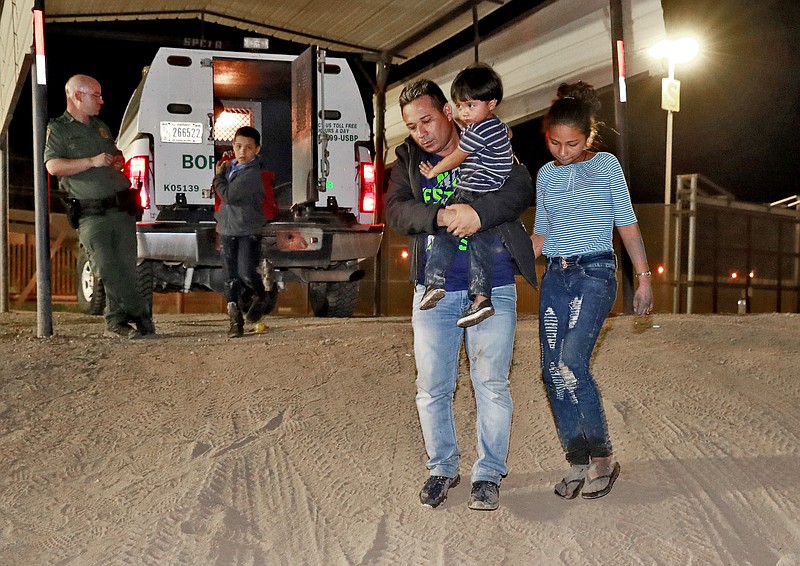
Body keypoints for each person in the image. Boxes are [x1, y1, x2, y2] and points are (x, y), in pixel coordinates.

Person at [385, 79, 537, 511]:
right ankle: (442, 468)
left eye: (427, 120)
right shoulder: (408, 159)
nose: (421, 132)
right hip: (432, 289)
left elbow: (520, 187)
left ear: (449, 112)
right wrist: (440, 215)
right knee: (432, 386)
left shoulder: (490, 137)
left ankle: (488, 475)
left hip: (493, 283)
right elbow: (396, 209)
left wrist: (477, 212)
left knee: (491, 382)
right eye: (413, 126)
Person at [530, 81, 654, 500]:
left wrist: (643, 277)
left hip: (595, 273)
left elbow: (627, 224)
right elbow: (542, 233)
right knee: (551, 372)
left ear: (589, 138)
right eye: (555, 143)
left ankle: (602, 457)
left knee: (570, 362)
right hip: (556, 277)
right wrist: (506, 267)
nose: (563, 152)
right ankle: (577, 459)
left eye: (572, 144)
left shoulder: (606, 167)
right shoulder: (546, 174)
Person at [44, 74, 155, 339]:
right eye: (96, 95)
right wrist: (91, 162)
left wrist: (117, 161)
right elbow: (53, 166)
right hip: (91, 213)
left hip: (121, 208)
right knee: (106, 268)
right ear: (77, 96)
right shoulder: (59, 129)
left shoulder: (100, 126)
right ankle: (140, 313)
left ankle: (117, 322)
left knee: (126, 267)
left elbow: (114, 155)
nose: (102, 101)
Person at [416, 63, 513, 328]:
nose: (464, 113)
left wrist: (434, 170)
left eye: (471, 106)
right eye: (460, 106)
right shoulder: (497, 127)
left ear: (491, 103)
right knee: (479, 243)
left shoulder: (481, 130)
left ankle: (435, 282)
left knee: (445, 227)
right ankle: (481, 298)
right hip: (489, 194)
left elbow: (458, 156)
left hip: (474, 189)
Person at [213, 126, 270, 338]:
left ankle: (261, 295)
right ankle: (235, 321)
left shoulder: (252, 174)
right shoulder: (233, 168)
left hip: (248, 230)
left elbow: (228, 195)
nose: (242, 152)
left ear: (257, 150)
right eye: (238, 146)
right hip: (228, 229)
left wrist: (217, 177)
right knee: (230, 277)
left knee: (246, 272)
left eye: (248, 147)